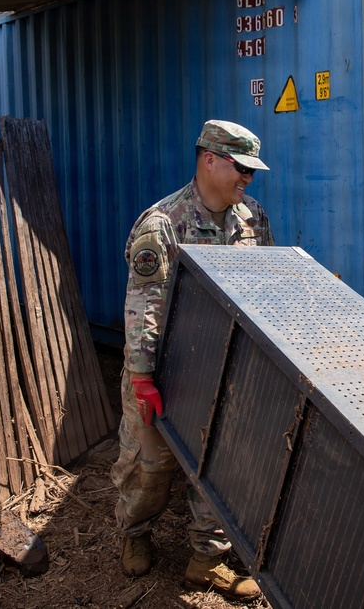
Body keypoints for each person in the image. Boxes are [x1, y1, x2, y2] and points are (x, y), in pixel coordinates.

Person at [111, 120, 274, 601]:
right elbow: (145, 306)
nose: (247, 178)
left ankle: (206, 558)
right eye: (239, 167)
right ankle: (135, 535)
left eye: (251, 171)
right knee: (150, 465)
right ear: (208, 159)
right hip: (165, 371)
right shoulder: (162, 225)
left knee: (218, 465)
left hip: (225, 368)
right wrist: (142, 377)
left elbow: (263, 289)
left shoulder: (253, 219)